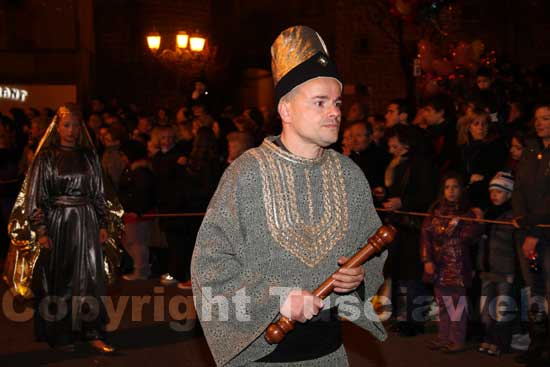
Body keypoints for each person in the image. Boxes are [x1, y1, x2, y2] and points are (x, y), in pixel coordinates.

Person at [191, 25, 387, 366]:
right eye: (320, 102)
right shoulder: (246, 175)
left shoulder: (351, 177)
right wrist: (276, 300)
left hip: (330, 355)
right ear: (286, 109)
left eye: (337, 102)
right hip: (262, 357)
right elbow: (210, 266)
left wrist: (356, 279)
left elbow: (368, 256)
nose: (335, 112)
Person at [6, 104, 114, 353]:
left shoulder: (89, 156)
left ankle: (92, 332)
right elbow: (36, 196)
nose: (72, 130)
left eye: (76, 124)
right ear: (57, 127)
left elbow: (98, 192)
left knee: (89, 279)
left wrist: (102, 222)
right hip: (59, 224)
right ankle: (62, 334)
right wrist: (41, 230)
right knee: (61, 279)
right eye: (67, 124)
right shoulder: (46, 158)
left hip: (86, 223)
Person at [421, 172, 483, 353]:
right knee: (442, 303)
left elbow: (470, 236)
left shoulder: (467, 213)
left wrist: (474, 222)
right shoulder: (435, 211)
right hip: (438, 264)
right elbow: (425, 236)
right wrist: (427, 259)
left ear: (461, 189)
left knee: (456, 305)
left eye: (455, 187)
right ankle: (443, 337)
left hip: (457, 264)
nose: (451, 191)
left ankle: (457, 339)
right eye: (447, 187)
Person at [512, 103, 550, 365]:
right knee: (533, 291)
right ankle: (538, 344)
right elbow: (519, 189)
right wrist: (519, 217)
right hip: (524, 231)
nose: (540, 123)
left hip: (545, 234)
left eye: (546, 118)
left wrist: (534, 230)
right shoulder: (530, 150)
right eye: (537, 119)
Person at [477, 172, 517, 356]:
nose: (494, 195)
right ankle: (488, 338)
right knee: (486, 309)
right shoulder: (487, 213)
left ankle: (500, 342)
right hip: (487, 270)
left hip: (504, 271)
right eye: (492, 191)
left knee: (502, 309)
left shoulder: (512, 216)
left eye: (499, 192)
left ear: (509, 194)